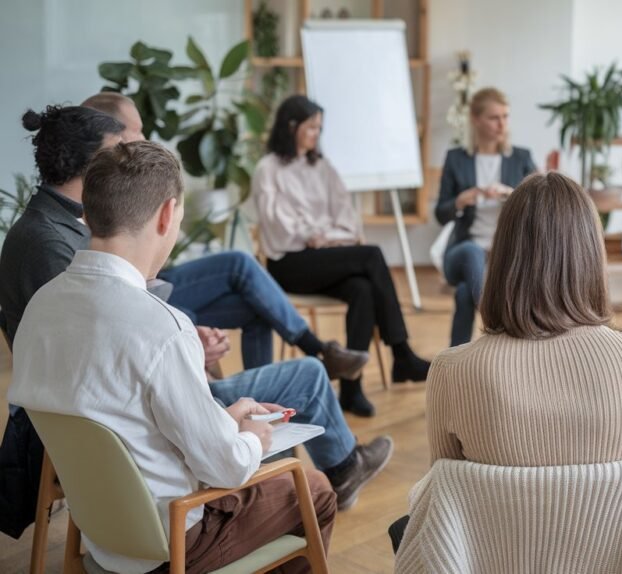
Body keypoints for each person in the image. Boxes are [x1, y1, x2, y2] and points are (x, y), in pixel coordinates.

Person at [0, 106, 391, 541]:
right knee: (314, 489)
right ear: (166, 217)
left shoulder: (44, 303)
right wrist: (251, 439)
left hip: (101, 531)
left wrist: (227, 419)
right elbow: (222, 465)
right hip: (174, 536)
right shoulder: (160, 327)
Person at [389, 170, 622, 549]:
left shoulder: (453, 370)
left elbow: (446, 496)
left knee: (405, 529)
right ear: (592, 253)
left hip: (497, 555)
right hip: (609, 555)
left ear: (502, 258)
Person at [80, 92, 369, 379]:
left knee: (254, 299)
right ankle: (316, 350)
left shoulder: (114, 180)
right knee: (241, 267)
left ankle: (265, 399)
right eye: (138, 130)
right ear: (111, 135)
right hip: (147, 290)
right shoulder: (100, 187)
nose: (144, 138)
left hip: (154, 280)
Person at [253, 95, 431, 417]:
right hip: (289, 263)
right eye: (311, 127)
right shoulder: (268, 169)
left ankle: (352, 388)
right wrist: (314, 236)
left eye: (319, 128)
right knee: (372, 255)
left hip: (327, 256)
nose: (316, 134)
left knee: (362, 289)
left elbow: (346, 217)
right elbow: (276, 222)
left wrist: (331, 239)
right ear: (291, 126)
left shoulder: (322, 167)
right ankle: (401, 353)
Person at [435, 87, 537, 346]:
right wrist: (460, 200)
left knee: (462, 294)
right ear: (475, 119)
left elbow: (540, 208)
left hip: (506, 255)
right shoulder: (456, 158)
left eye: (505, 116)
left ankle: (454, 361)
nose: (502, 124)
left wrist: (511, 195)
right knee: (472, 252)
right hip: (462, 252)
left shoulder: (521, 158)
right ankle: (496, 323)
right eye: (494, 117)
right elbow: (440, 214)